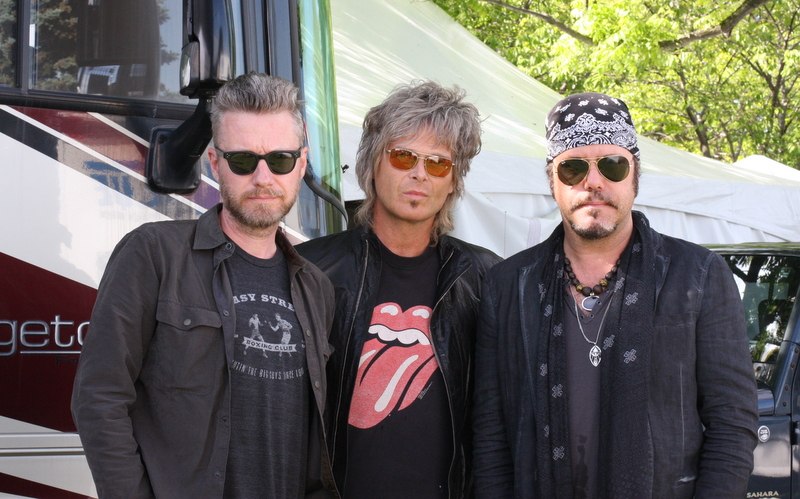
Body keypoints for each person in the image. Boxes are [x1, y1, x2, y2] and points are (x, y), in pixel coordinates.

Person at [472, 92, 758, 498]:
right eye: (572, 168)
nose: (594, 182)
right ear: (552, 181)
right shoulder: (507, 284)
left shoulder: (698, 275)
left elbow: (732, 422)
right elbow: (490, 431)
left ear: (635, 176)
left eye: (612, 165)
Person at [71, 73, 336, 499]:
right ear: (215, 163)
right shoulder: (153, 254)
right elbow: (99, 397)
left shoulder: (316, 288)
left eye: (281, 160)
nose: (263, 177)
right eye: (243, 161)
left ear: (301, 164)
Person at [297, 80, 501, 498]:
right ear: (372, 164)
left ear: (453, 182)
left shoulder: (486, 280)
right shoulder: (311, 269)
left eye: (438, 164)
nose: (419, 174)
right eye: (403, 155)